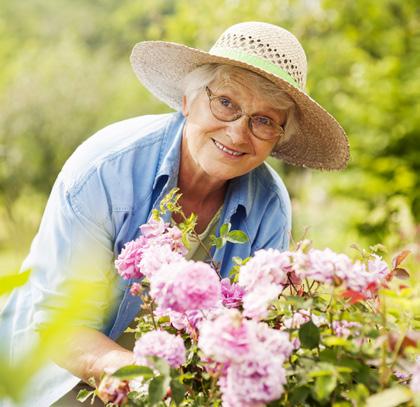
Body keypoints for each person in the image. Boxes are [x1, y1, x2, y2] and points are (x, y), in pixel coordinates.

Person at [0, 21, 349, 406]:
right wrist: (136, 377)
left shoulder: (270, 206)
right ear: (188, 100)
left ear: (278, 138)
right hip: (57, 380)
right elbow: (59, 326)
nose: (237, 133)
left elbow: (249, 331)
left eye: (264, 121)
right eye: (227, 103)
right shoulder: (105, 171)